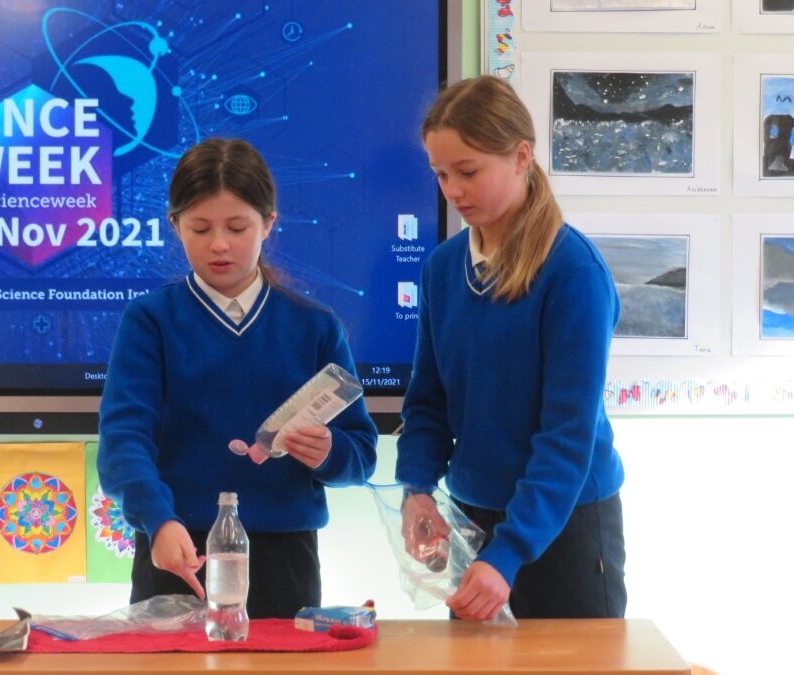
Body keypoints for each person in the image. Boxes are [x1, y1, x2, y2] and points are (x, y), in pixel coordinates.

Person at [97, 137, 378, 619]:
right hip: (177, 548)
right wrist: (157, 520)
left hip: (285, 558)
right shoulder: (150, 321)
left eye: (237, 227)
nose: (219, 244)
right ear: (175, 226)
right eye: (200, 228)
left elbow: (362, 454)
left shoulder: (313, 326)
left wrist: (331, 451)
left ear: (268, 223)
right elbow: (123, 440)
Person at [396, 75, 626, 621]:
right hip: (473, 518)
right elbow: (426, 402)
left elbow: (567, 435)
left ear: (521, 156)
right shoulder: (442, 269)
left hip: (563, 523)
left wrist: (509, 552)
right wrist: (417, 489)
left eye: (468, 172)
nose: (453, 190)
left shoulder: (573, 273)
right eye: (441, 174)